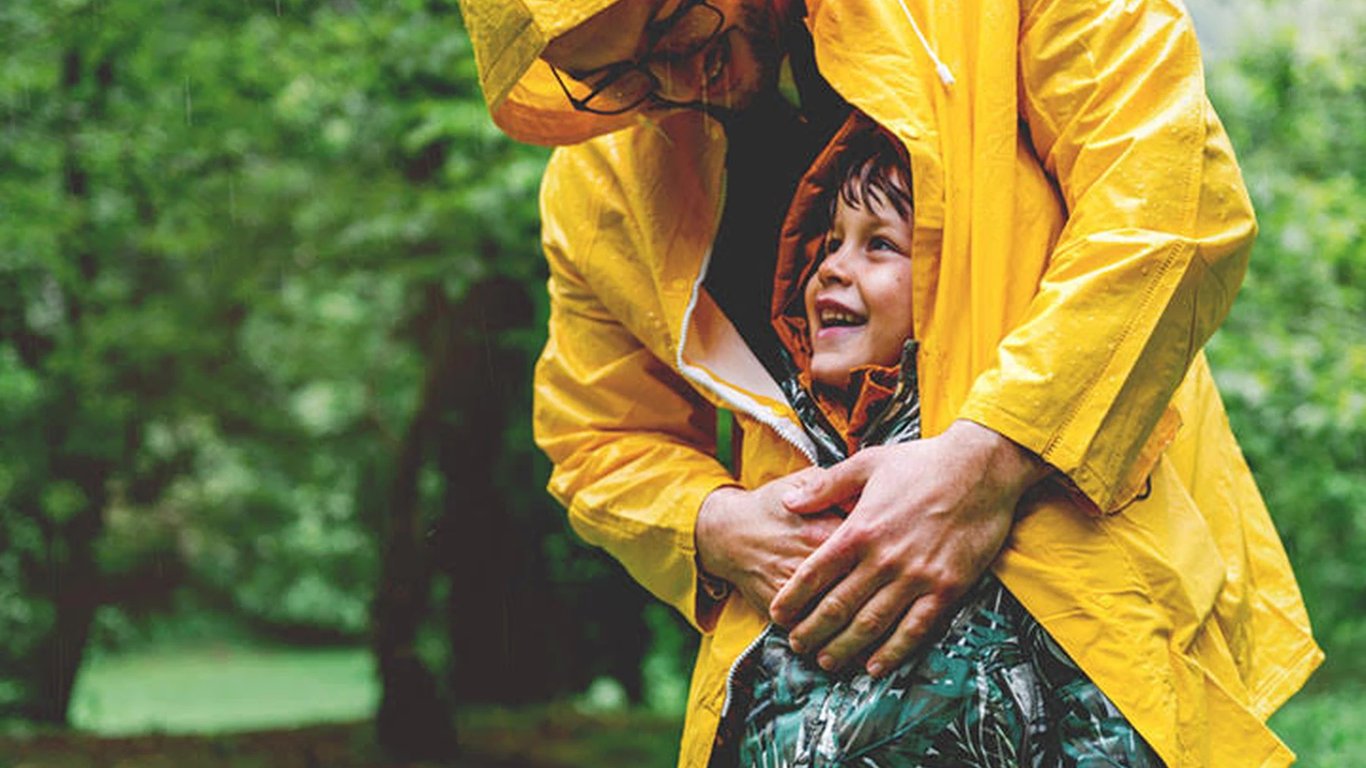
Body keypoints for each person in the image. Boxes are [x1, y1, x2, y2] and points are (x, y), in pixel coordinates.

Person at [455, 0, 1322, 765]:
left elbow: (1169, 203)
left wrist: (994, 455)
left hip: (1097, 635)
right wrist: (713, 525)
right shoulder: (602, 186)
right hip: (810, 691)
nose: (677, 83)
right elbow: (599, 435)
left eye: (676, 26)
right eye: (616, 77)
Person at [720, 112, 1161, 766]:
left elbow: (1109, 695)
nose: (833, 269)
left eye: (879, 245)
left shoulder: (1012, 479)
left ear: (943, 281)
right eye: (829, 243)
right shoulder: (790, 454)